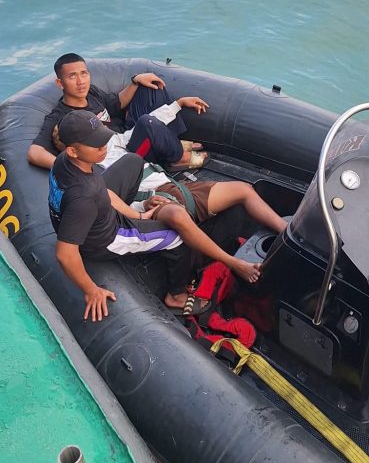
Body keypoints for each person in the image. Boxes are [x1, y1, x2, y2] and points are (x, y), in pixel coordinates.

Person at [48, 110, 270, 322]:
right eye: (95, 144)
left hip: (96, 212)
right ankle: (176, 296)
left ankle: (140, 213)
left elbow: (102, 192)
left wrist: (139, 214)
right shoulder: (83, 198)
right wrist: (91, 290)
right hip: (106, 236)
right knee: (178, 236)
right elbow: (66, 254)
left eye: (103, 139)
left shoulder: (65, 163)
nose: (103, 146)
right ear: (72, 151)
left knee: (133, 161)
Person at [28, 52, 209, 171]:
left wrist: (136, 80)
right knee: (148, 122)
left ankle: (170, 142)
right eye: (72, 76)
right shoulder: (61, 116)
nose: (81, 81)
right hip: (127, 153)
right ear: (60, 83)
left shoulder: (91, 93)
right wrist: (71, 167)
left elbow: (117, 104)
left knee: (151, 88)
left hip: (126, 135)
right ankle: (176, 158)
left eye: (84, 73)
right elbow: (34, 152)